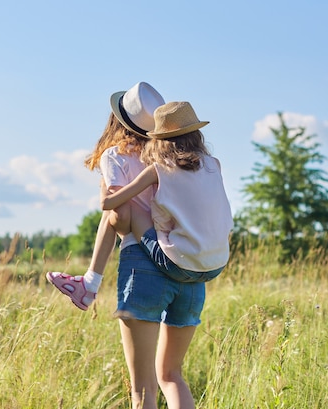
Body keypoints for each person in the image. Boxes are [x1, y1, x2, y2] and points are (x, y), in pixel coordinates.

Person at [99, 101, 234, 409]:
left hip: (166, 261)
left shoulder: (156, 170)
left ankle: (90, 281)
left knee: (143, 390)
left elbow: (110, 206)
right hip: (204, 271)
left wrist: (107, 181)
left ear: (158, 140)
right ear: (196, 135)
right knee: (172, 375)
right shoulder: (214, 165)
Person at [46, 81, 165, 310]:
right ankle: (89, 283)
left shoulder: (115, 155)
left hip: (137, 247)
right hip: (166, 246)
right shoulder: (161, 156)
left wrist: (105, 190)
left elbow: (115, 208)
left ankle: (90, 283)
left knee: (113, 209)